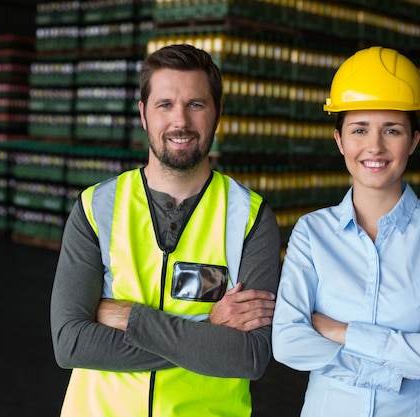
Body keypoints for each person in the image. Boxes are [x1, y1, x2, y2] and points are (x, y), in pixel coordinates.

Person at [50, 43, 281, 417]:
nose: (181, 122)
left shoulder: (250, 219)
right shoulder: (96, 208)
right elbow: (71, 344)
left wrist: (130, 318)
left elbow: (248, 357)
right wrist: (207, 332)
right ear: (143, 115)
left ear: (218, 113)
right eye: (165, 105)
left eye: (196, 104)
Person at [271, 46, 420, 416]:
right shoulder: (312, 234)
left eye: (392, 130)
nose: (375, 146)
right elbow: (288, 342)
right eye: (359, 129)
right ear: (339, 140)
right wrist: (403, 357)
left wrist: (340, 332)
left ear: (414, 140)